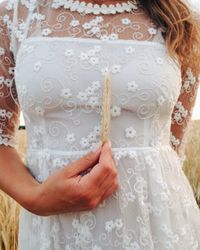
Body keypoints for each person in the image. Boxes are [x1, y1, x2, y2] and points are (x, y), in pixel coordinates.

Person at [0, 0, 200, 249]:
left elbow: (171, 149)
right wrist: (35, 198)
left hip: (159, 230)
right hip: (57, 232)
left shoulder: (183, 21)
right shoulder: (15, 15)